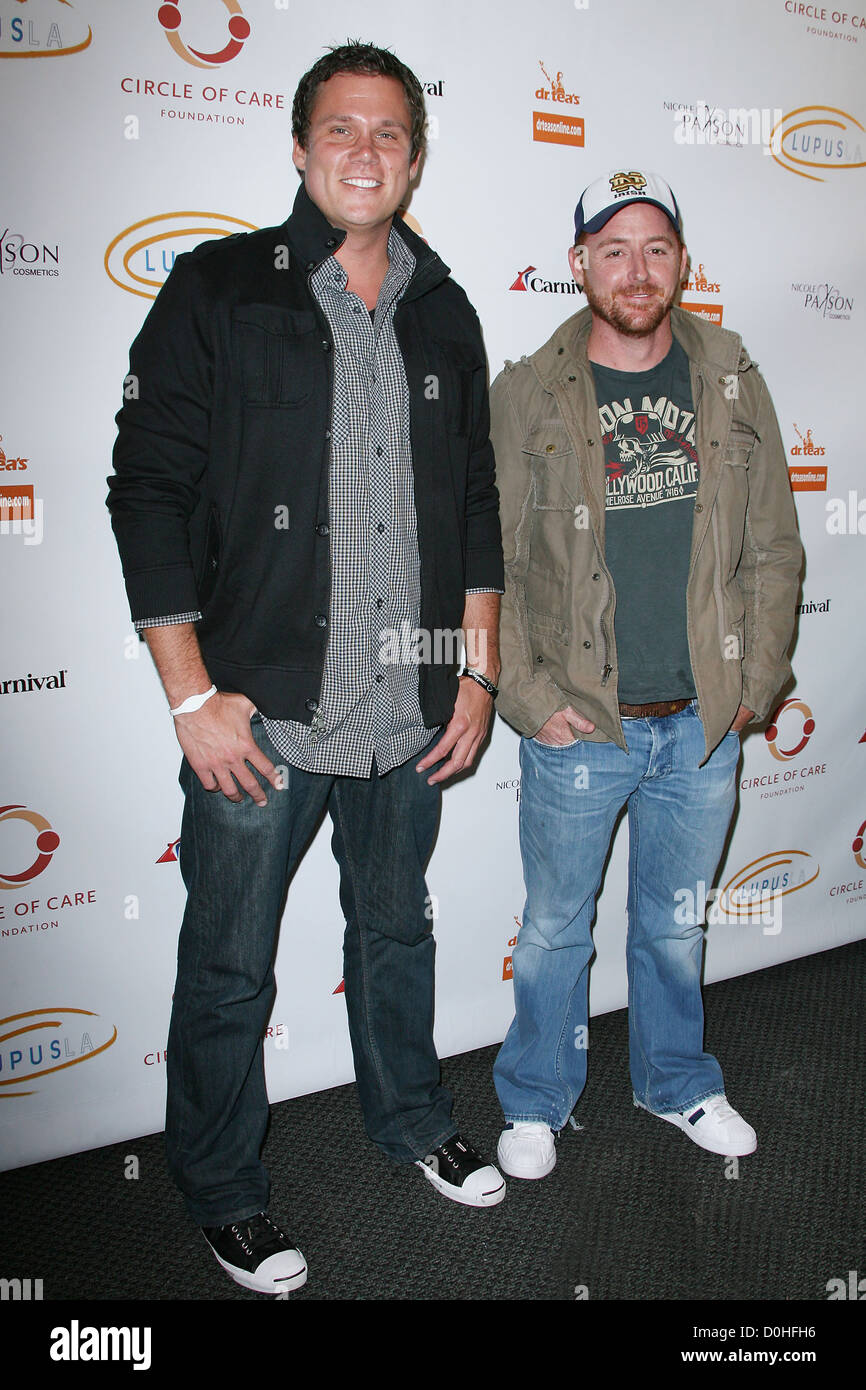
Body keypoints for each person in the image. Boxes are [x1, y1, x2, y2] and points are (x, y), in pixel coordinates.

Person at [107, 41, 505, 1296]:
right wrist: (189, 692)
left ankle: (407, 1119)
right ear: (297, 146)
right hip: (260, 716)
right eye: (341, 128)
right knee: (228, 963)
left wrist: (476, 671)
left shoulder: (445, 307)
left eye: (389, 132)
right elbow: (147, 492)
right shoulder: (221, 288)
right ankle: (223, 1191)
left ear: (415, 154)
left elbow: (477, 505)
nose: (365, 151)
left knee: (395, 928)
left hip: (408, 706)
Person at [489, 168, 802, 1179]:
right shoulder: (525, 390)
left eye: (655, 248)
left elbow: (772, 546)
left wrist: (752, 684)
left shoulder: (728, 373)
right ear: (577, 262)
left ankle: (676, 1080)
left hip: (699, 722)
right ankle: (535, 1097)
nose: (636, 268)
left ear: (681, 265)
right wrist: (525, 699)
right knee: (551, 929)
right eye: (612, 248)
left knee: (673, 925)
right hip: (581, 722)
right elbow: (482, 559)